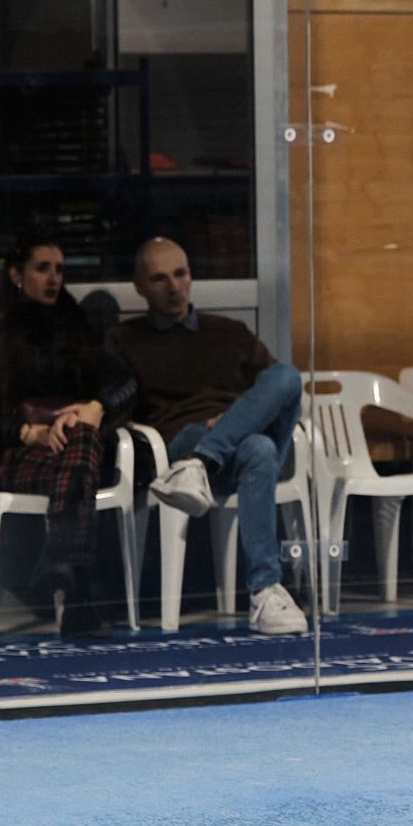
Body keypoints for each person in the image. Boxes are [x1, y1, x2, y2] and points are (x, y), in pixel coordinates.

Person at [107, 237, 308, 635]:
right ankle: (265, 591)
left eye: (181, 274)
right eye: (160, 279)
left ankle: (204, 460)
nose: (174, 287)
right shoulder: (125, 340)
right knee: (259, 447)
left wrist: (233, 420)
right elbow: (119, 411)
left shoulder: (229, 332)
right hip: (178, 443)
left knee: (286, 376)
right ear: (140, 287)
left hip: (230, 439)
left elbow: (274, 394)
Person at [0, 232, 137, 638]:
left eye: (59, 270)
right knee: (83, 458)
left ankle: (61, 562)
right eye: (42, 269)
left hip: (68, 449)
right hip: (8, 453)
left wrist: (96, 406)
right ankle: (76, 593)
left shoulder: (70, 318)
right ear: (16, 274)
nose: (54, 279)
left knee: (83, 439)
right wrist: (27, 433)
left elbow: (124, 380)